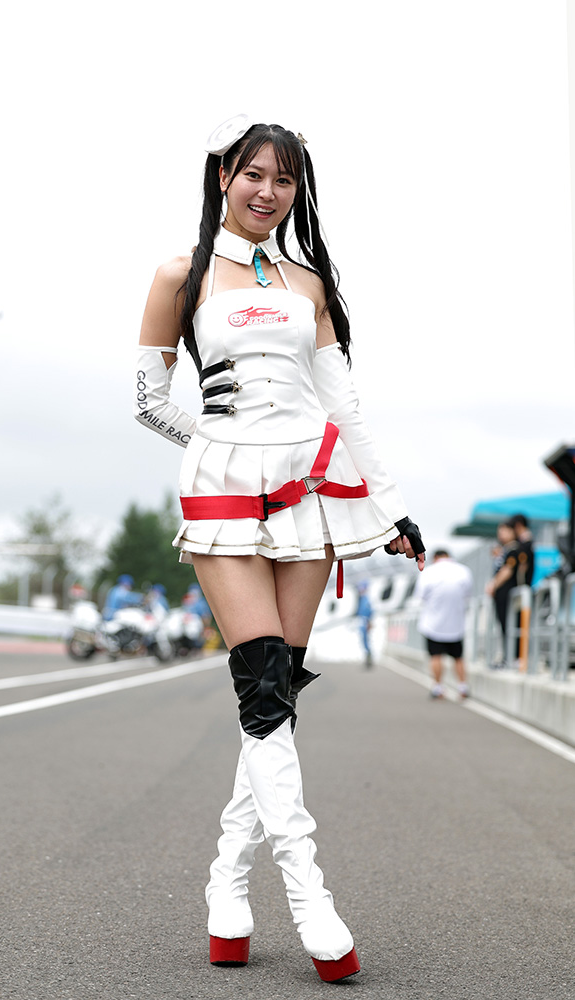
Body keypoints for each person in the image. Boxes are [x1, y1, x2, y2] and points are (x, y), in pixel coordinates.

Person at [134, 115, 425, 984]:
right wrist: (213, 434)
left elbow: (343, 406)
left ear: (298, 191)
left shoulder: (308, 284)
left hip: (309, 490)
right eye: (253, 174)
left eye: (284, 179)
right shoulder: (181, 274)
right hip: (223, 485)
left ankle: (227, 886)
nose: (267, 192)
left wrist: (393, 506)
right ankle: (310, 902)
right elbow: (148, 398)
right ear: (224, 175)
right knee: (258, 686)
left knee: (277, 698)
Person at [415, 549, 473, 699]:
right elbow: (468, 594)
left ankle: (438, 687)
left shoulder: (428, 572)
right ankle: (463, 687)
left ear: (435, 557)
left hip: (433, 623)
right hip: (456, 622)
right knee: (458, 656)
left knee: (435, 656)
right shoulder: (463, 571)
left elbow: (420, 596)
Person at [485, 521, 518, 667]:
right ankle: (507, 657)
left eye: (504, 531)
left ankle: (513, 658)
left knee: (510, 625)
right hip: (501, 596)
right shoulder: (504, 550)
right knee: (504, 626)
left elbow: (507, 571)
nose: (501, 535)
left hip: (508, 594)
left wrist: (493, 584)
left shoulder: (514, 550)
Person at [509, 513, 534, 588]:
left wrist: (520, 585)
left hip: (523, 586)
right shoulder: (526, 543)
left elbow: (523, 567)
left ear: (518, 525)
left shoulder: (525, 544)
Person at [355, 581, 374, 667]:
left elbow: (369, 612)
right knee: (363, 640)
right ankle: (367, 658)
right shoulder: (361, 599)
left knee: (365, 641)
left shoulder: (365, 599)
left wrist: (369, 622)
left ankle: (368, 658)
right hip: (362, 621)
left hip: (364, 622)